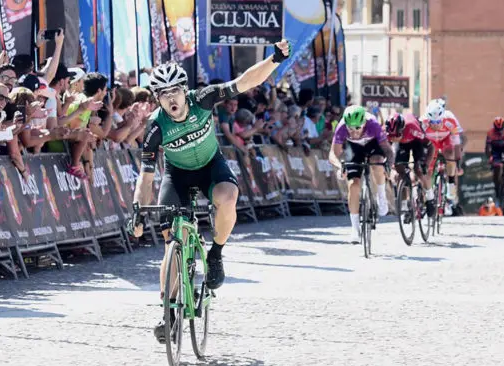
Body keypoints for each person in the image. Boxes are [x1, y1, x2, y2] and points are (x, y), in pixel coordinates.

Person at [130, 40, 290, 343]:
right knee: (170, 244)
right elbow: (146, 176)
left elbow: (244, 82)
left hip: (210, 166)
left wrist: (275, 59)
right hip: (176, 176)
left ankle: (215, 254)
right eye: (164, 95)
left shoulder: (203, 99)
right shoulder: (155, 126)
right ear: (158, 99)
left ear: (184, 89)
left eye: (175, 91)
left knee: (228, 197)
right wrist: (137, 211)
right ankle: (169, 313)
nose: (171, 98)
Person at [328, 105, 394, 243]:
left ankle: (381, 196)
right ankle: (355, 227)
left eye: (357, 128)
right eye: (350, 128)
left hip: (373, 145)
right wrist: (340, 167)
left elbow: (388, 150)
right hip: (355, 149)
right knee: (353, 185)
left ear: (364, 124)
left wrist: (389, 164)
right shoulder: (341, 127)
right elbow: (333, 153)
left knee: (377, 164)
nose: (353, 132)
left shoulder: (373, 124)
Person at [385, 112, 436, 217]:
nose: (393, 138)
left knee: (419, 170)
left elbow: (431, 147)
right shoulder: (387, 132)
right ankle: (404, 205)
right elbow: (385, 151)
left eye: (396, 135)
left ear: (402, 130)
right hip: (402, 145)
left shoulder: (413, 129)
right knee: (400, 172)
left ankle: (430, 198)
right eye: (391, 136)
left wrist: (426, 164)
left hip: (416, 141)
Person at [419, 98, 464, 204]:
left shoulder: (450, 121)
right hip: (431, 143)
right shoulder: (422, 123)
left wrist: (457, 162)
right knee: (428, 170)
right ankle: (428, 195)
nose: (435, 125)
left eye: (438, 122)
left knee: (450, 155)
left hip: (445, 140)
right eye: (432, 122)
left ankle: (451, 184)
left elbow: (456, 142)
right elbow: (419, 144)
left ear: (442, 118)